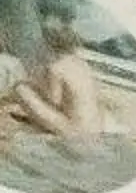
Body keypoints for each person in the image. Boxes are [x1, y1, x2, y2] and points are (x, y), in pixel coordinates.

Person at [13, 11, 122, 140]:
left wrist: (36, 88)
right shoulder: (81, 63)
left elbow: (54, 101)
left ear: (49, 45)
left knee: (21, 88)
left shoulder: (55, 68)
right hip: (96, 127)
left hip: (74, 130)